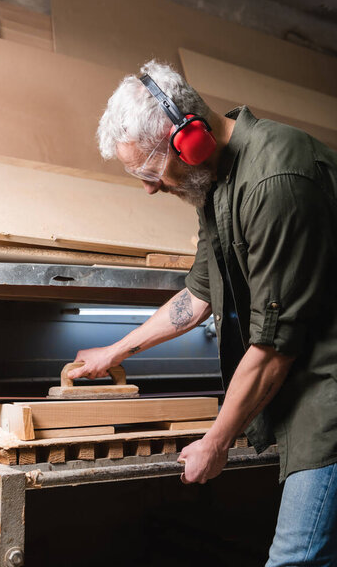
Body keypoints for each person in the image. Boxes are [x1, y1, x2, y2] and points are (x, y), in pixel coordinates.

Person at [68, 60, 337, 565]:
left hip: (329, 388)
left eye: (150, 173)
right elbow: (198, 295)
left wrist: (217, 440)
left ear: (190, 139)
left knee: (297, 558)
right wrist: (115, 350)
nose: (149, 188)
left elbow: (274, 347)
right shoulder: (215, 185)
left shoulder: (275, 180)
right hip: (308, 381)